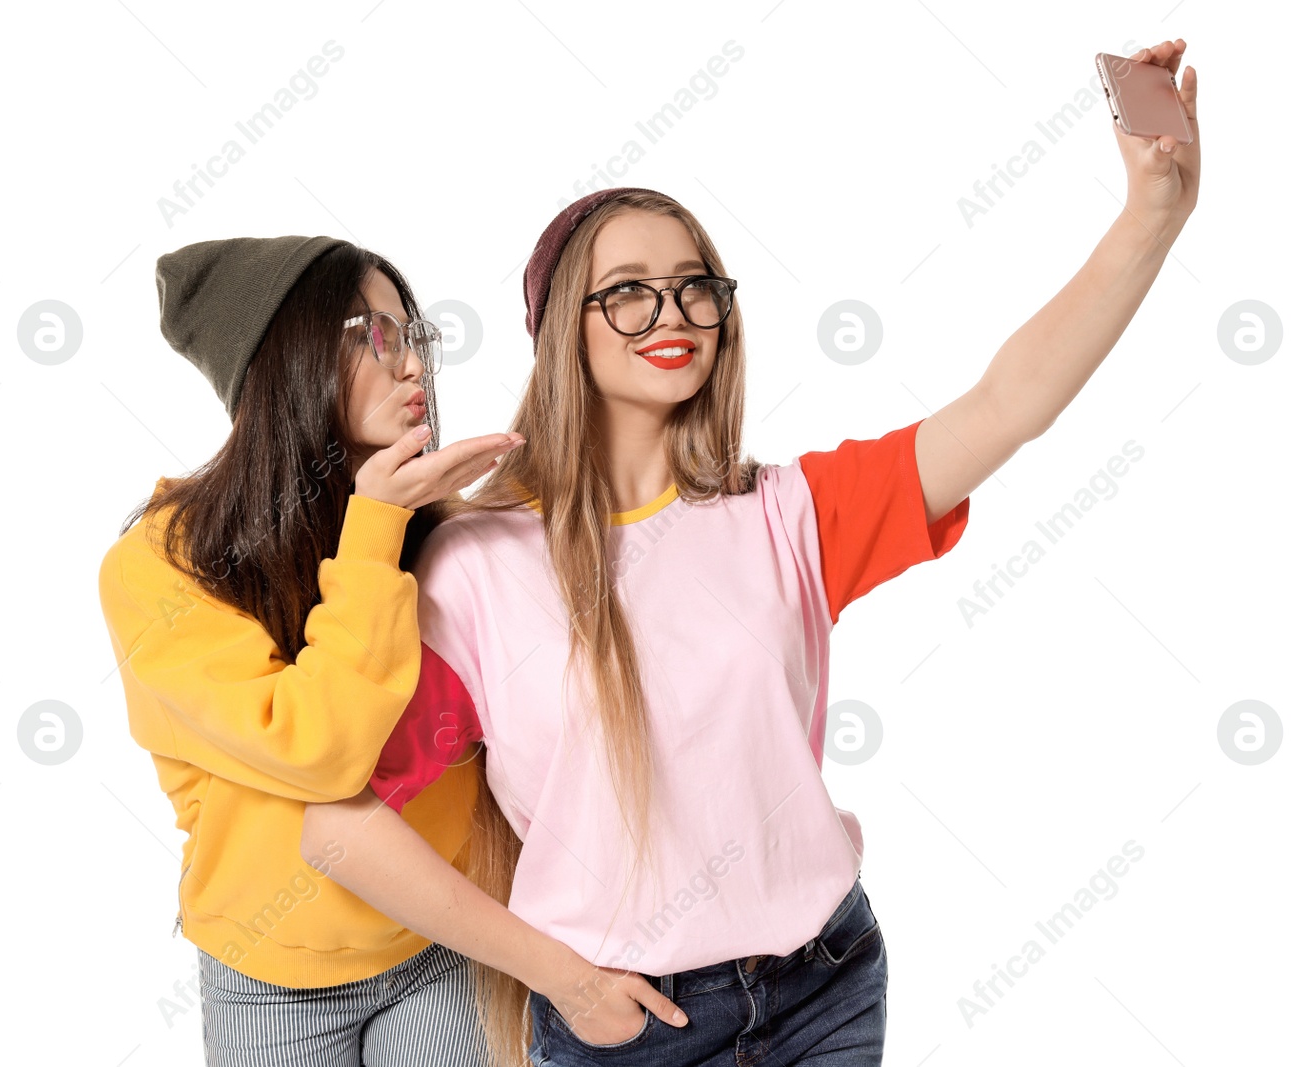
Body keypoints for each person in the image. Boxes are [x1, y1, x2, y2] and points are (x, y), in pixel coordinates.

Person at [304, 39, 1200, 1066]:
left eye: (695, 287)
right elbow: (334, 822)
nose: (672, 314)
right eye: (628, 291)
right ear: (562, 332)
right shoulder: (474, 564)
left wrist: (1151, 215)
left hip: (824, 984)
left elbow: (1007, 404)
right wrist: (562, 978)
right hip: (624, 1025)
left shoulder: (790, 515)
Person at [97, 234, 523, 1066]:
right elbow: (318, 749)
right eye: (377, 334)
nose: (412, 367)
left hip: (438, 939)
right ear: (286, 359)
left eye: (415, 335)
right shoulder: (157, 564)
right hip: (269, 975)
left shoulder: (422, 521)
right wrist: (375, 530)